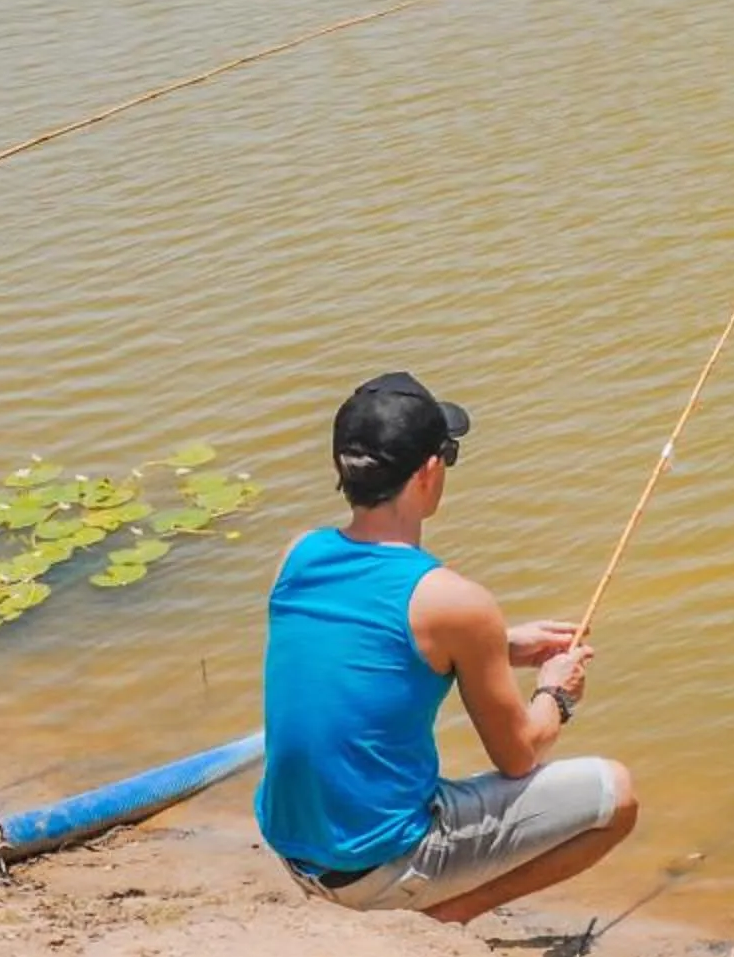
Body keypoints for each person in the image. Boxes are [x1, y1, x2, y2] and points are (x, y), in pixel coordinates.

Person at [257, 372, 635, 922]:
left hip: (296, 855)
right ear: (430, 472)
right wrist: (557, 692)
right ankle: (445, 915)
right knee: (617, 795)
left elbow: (365, 647)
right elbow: (519, 755)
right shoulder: (456, 602)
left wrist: (497, 646)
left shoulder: (298, 554)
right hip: (377, 868)